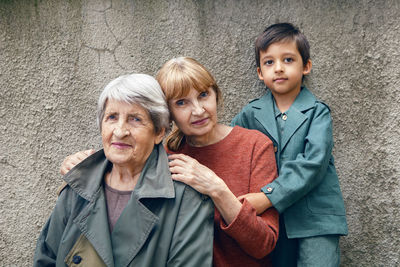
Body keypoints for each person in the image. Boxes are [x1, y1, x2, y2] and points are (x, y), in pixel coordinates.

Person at [61, 58, 279, 267]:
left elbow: (263, 245)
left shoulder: (254, 146)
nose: (198, 110)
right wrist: (81, 169)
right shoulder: (165, 157)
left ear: (216, 95)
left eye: (203, 95)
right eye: (182, 102)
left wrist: (217, 189)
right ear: (167, 115)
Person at [34, 74, 214, 267]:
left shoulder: (186, 199)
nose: (120, 131)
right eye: (112, 117)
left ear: (159, 132)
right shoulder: (76, 189)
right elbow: (46, 259)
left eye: (135, 119)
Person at [232, 23, 348, 267]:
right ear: (260, 73)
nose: (279, 68)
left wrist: (267, 197)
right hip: (274, 222)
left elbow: (313, 164)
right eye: (269, 62)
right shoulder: (250, 115)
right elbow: (230, 147)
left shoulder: (318, 112)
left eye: (288, 59)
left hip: (317, 218)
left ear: (306, 66)